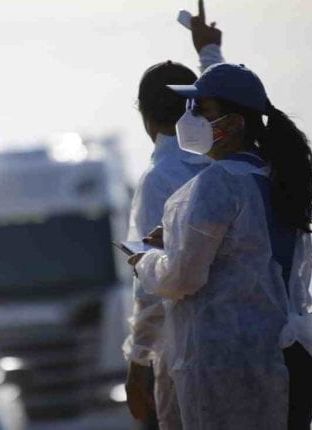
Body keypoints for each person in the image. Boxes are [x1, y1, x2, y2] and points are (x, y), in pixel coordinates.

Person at [128, 63, 312, 429]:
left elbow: (182, 279)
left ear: (232, 125)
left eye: (202, 109)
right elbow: (245, 251)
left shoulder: (217, 183)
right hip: (288, 358)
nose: (191, 117)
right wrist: (175, 239)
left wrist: (146, 261)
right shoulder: (275, 178)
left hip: (231, 366)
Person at [122, 1, 224, 428]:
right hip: (266, 350)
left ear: (144, 117)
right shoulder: (235, 159)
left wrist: (139, 361)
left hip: (192, 360)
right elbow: (244, 103)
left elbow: (155, 289)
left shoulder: (160, 178)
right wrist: (210, 52)